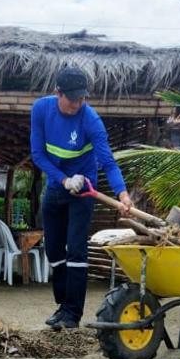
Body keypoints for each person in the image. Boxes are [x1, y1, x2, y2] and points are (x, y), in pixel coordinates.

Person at [31, 66, 132, 329]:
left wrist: (122, 193)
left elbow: (108, 162)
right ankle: (63, 306)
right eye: (72, 98)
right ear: (58, 93)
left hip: (83, 190)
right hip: (56, 187)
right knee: (54, 250)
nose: (77, 104)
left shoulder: (90, 120)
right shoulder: (41, 110)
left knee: (76, 249)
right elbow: (38, 154)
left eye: (82, 98)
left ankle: (72, 315)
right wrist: (64, 180)